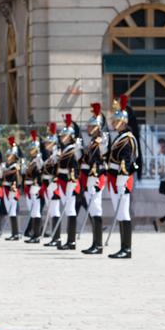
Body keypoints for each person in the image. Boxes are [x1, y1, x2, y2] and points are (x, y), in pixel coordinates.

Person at [106, 95, 137, 259]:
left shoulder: (128, 139)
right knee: (120, 214)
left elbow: (127, 160)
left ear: (123, 123)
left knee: (124, 213)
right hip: (113, 178)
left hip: (121, 179)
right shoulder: (118, 137)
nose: (112, 123)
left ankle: (127, 248)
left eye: (115, 121)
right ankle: (123, 247)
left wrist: (122, 178)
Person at [80, 104, 107, 255]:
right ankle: (95, 243)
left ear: (96, 127)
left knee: (96, 210)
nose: (88, 129)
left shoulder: (100, 141)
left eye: (90, 126)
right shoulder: (92, 141)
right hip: (90, 177)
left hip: (97, 177)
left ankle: (98, 245)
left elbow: (100, 158)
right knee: (92, 210)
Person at [54, 115, 81, 251]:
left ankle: (71, 242)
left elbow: (75, 167)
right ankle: (69, 241)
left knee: (71, 211)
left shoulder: (73, 149)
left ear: (70, 136)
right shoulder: (65, 149)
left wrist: (72, 180)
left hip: (69, 182)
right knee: (68, 211)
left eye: (64, 135)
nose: (61, 137)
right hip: (63, 181)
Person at [21, 131, 44, 243]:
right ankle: (34, 234)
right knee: (33, 212)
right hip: (30, 188)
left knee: (36, 212)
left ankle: (36, 235)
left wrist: (37, 183)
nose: (30, 151)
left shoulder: (38, 160)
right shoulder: (32, 161)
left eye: (32, 149)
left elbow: (41, 173)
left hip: (35, 188)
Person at [0, 137, 22, 241]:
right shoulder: (7, 167)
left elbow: (17, 178)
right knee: (10, 211)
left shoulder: (15, 167)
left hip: (11, 190)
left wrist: (15, 185)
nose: (8, 157)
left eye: (10, 156)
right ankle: (14, 233)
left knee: (13, 211)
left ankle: (16, 234)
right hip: (5, 189)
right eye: (8, 155)